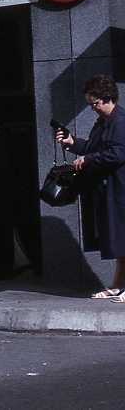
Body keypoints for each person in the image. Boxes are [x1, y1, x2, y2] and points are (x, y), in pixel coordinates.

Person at [57, 74, 125, 300]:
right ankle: (117, 285)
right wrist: (72, 142)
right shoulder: (103, 122)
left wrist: (88, 159)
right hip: (110, 190)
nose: (93, 108)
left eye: (95, 104)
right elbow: (92, 147)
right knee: (118, 239)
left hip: (121, 189)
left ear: (108, 98)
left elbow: (117, 153)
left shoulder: (120, 121)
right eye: (89, 104)